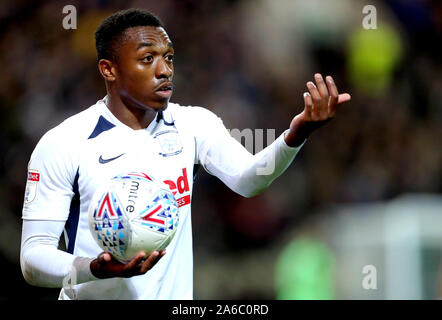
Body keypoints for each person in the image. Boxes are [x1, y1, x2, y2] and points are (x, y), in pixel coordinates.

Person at [20, 8, 351, 300]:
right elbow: (33, 260)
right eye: (148, 58)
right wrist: (94, 268)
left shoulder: (194, 124)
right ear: (109, 69)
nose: (164, 70)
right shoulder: (64, 143)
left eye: (169, 57)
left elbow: (249, 180)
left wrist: (296, 134)